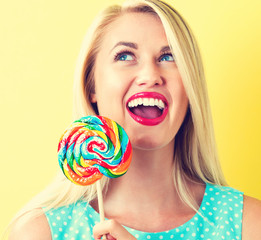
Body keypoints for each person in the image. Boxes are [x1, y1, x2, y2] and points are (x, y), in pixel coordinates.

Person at [8, 0, 261, 239]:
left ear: (190, 88)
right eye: (125, 56)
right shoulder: (40, 232)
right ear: (91, 87)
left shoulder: (248, 223)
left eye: (168, 57)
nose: (150, 75)